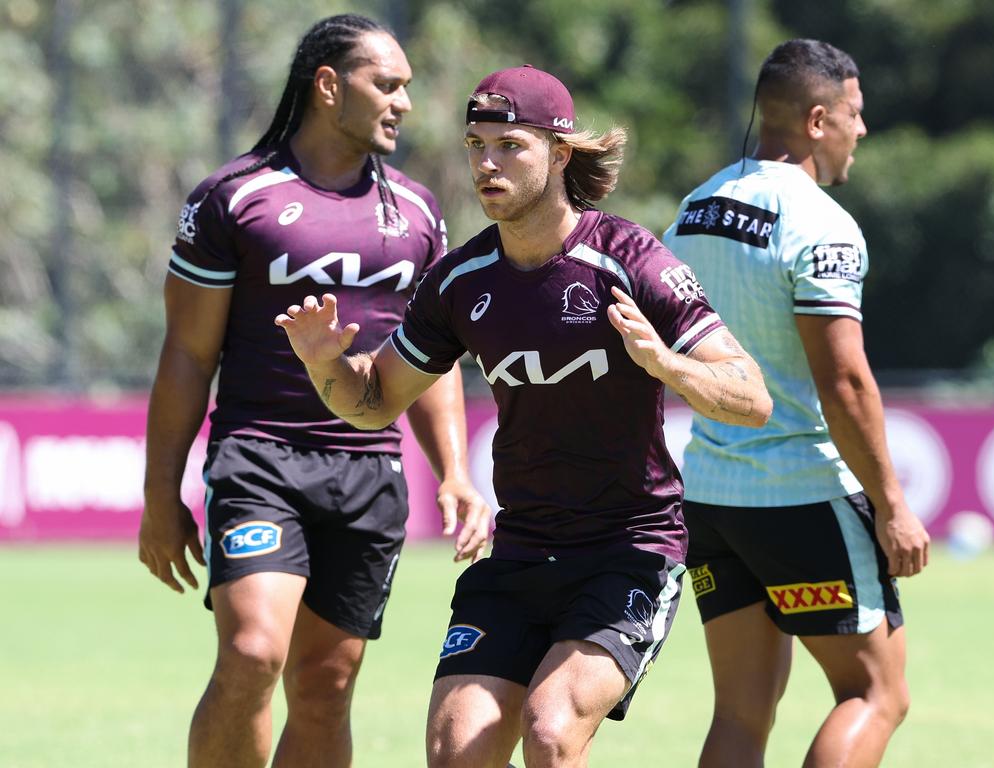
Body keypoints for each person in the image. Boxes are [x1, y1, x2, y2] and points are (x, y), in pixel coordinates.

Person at [275, 64, 772, 767]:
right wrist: (325, 364)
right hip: (518, 554)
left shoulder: (631, 260)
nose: (486, 163)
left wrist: (669, 365)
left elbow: (752, 395)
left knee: (549, 729)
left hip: (628, 552)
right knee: (455, 750)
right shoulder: (459, 280)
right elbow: (372, 402)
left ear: (559, 154)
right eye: (476, 145)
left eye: (509, 145)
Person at [138, 14, 490, 768]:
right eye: (386, 85)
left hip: (370, 474)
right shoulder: (234, 199)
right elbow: (187, 356)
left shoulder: (419, 212)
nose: (402, 103)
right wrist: (158, 494)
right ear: (328, 86)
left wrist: (455, 472)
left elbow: (429, 361)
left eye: (406, 88)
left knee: (327, 684)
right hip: (260, 459)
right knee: (254, 654)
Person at [663, 39, 931, 768]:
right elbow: (844, 383)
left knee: (742, 715)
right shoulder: (820, 224)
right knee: (877, 694)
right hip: (802, 496)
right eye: (854, 113)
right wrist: (893, 504)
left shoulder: (693, 211)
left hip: (714, 497)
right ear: (818, 120)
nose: (862, 130)